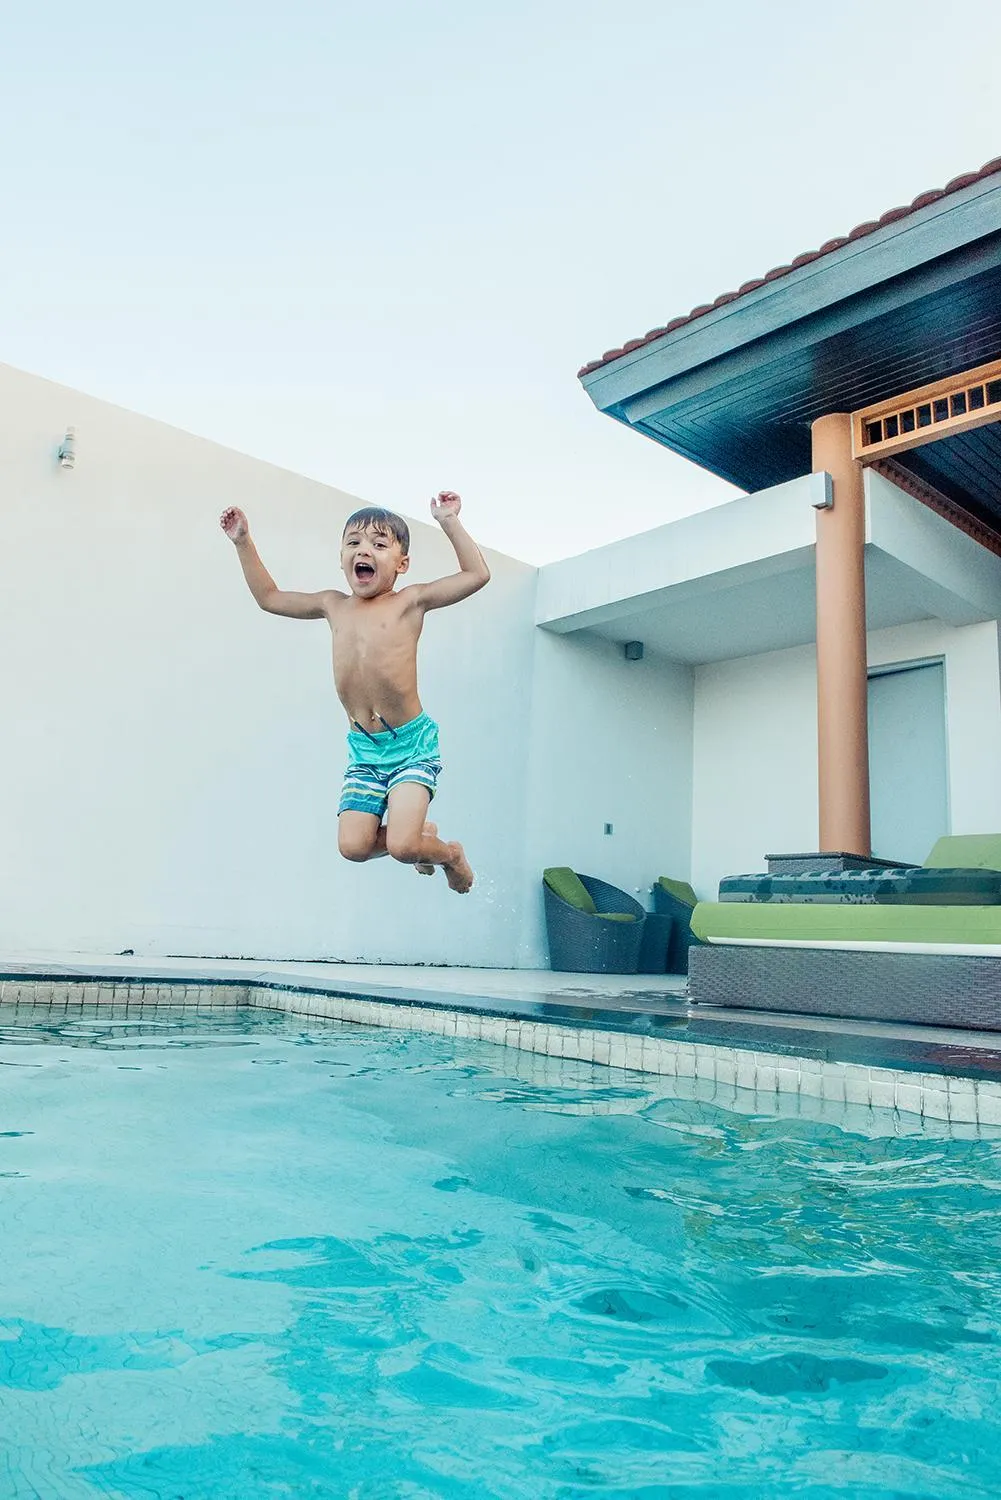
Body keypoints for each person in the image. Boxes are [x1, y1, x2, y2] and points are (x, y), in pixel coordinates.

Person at [220, 492, 489, 893]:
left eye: (380, 545)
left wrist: (449, 521)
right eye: (354, 543)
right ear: (342, 558)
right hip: (365, 751)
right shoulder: (333, 605)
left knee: (401, 847)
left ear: (402, 564)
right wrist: (243, 542)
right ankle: (420, 834)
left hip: (412, 745)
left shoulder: (409, 602)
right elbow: (269, 598)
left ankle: (449, 855)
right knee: (353, 847)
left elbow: (476, 575)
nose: (364, 550)